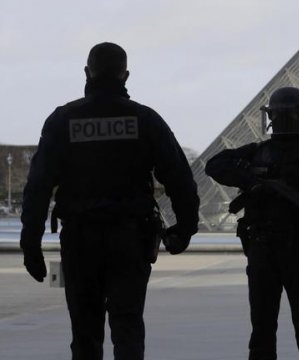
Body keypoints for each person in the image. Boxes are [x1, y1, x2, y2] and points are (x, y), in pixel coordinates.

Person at [19, 42, 200, 359]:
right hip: (131, 239)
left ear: (87, 72)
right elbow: (180, 179)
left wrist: (30, 242)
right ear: (125, 75)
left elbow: (38, 185)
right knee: (128, 329)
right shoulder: (145, 119)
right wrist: (185, 228)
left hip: (78, 240)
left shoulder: (62, 120)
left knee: (84, 333)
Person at [205, 86, 299, 360]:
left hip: (268, 248)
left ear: (270, 116)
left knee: (264, 326)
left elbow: (216, 164)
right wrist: (253, 183)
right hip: (294, 249)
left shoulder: (258, 152)